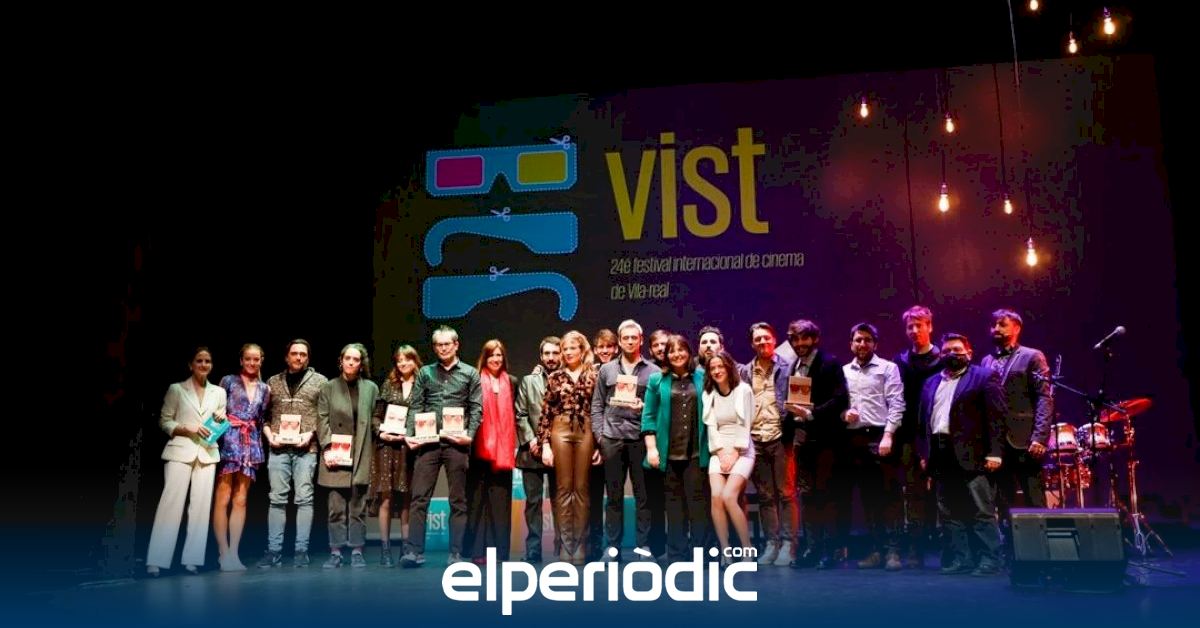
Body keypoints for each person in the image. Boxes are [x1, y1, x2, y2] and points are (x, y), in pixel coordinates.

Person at [917, 333, 1006, 576]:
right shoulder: (931, 382)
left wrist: (995, 452)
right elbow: (923, 421)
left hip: (973, 453)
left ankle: (989, 559)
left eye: (956, 349)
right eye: (946, 351)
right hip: (940, 451)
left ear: (969, 352)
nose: (951, 354)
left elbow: (996, 417)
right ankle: (961, 558)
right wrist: (925, 453)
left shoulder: (984, 376)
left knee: (980, 508)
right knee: (949, 510)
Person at [402, 326, 482, 568]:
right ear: (434, 347)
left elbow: (476, 408)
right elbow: (416, 405)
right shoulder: (425, 373)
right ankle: (414, 551)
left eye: (447, 344)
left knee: (458, 500)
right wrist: (409, 434)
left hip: (456, 444)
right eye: (438, 345)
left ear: (456, 345)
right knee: (419, 498)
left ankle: (456, 553)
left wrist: (470, 436)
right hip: (428, 442)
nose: (443, 348)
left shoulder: (470, 373)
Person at [146, 346, 227, 576]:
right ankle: (157, 560)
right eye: (199, 361)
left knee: (200, 508)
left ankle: (192, 560)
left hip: (207, 453)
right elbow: (165, 421)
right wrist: (186, 428)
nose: (204, 365)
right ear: (190, 364)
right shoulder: (177, 389)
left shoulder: (219, 392)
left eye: (207, 361)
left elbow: (220, 422)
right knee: (170, 506)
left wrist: (221, 418)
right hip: (180, 451)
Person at [841, 323, 906, 571]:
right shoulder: (844, 371)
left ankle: (893, 551)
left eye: (867, 340)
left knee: (888, 496)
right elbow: (840, 404)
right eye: (858, 340)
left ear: (875, 344)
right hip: (854, 438)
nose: (862, 344)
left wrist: (888, 435)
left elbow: (896, 403)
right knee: (867, 498)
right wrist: (844, 414)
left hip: (880, 436)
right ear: (851, 343)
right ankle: (876, 551)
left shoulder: (888, 368)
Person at [259, 339, 327, 568]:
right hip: (278, 448)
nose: (299, 358)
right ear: (286, 357)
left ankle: (301, 551)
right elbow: (264, 416)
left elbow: (324, 415)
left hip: (306, 449)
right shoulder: (272, 382)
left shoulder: (320, 382)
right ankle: (274, 551)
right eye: (295, 354)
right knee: (276, 499)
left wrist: (311, 434)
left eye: (303, 354)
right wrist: (269, 435)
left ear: (308, 358)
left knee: (304, 499)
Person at [642, 335, 710, 562]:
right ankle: (677, 555)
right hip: (668, 453)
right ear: (666, 355)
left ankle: (700, 555)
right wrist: (652, 448)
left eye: (681, 350)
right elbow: (649, 416)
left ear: (689, 352)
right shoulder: (656, 380)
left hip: (696, 452)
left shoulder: (703, 377)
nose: (677, 354)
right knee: (674, 505)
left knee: (698, 505)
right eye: (672, 350)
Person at [590, 319, 654, 560]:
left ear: (641, 340)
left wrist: (643, 406)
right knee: (614, 498)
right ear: (619, 341)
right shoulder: (607, 370)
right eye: (625, 337)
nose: (629, 341)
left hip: (640, 438)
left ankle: (643, 547)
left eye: (633, 337)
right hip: (612, 438)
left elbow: (656, 409)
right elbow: (597, 406)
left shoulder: (653, 372)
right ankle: (612, 548)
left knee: (643, 497)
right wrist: (600, 436)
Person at [536, 330, 600, 565]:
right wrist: (544, 444)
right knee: (563, 488)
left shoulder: (594, 375)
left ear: (582, 350)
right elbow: (546, 412)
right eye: (565, 348)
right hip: (560, 428)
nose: (569, 352)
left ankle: (580, 544)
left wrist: (599, 444)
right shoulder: (555, 376)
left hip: (586, 429)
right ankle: (565, 545)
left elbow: (599, 409)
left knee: (581, 489)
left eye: (573, 348)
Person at [980, 309, 1053, 512]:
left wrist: (1040, 437)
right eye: (993, 325)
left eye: (1002, 324)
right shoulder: (986, 361)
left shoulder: (1032, 356)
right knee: (1004, 503)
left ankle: (1038, 534)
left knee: (1034, 500)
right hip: (997, 443)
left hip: (1025, 441)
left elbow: (1044, 397)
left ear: (1017, 328)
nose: (995, 328)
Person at [316, 343, 379, 569]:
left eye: (356, 359)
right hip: (337, 452)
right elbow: (322, 419)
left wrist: (384, 429)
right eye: (348, 358)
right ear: (341, 361)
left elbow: (375, 417)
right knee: (335, 507)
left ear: (361, 364)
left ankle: (357, 551)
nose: (351, 362)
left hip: (361, 450)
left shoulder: (370, 388)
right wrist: (327, 447)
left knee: (358, 507)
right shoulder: (329, 387)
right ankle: (336, 551)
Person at [214, 343, 270, 572]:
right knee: (223, 497)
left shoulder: (265, 389)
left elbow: (261, 418)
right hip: (229, 440)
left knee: (241, 499)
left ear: (261, 361)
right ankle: (223, 552)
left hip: (250, 443)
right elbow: (216, 410)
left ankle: (234, 553)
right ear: (241, 360)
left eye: (256, 359)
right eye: (248, 358)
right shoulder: (228, 381)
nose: (252, 363)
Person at [464, 340, 520, 562]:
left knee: (500, 502)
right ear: (484, 358)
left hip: (503, 453)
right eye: (491, 355)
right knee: (477, 500)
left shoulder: (512, 382)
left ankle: (499, 552)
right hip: (479, 449)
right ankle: (477, 552)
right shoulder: (475, 380)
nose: (496, 359)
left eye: (499, 355)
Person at [369, 344, 421, 567]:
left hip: (409, 448)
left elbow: (426, 415)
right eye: (399, 360)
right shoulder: (389, 385)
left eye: (407, 359)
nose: (403, 364)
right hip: (387, 448)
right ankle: (385, 549)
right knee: (387, 497)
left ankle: (406, 548)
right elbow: (376, 416)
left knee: (407, 497)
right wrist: (381, 432)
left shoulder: (422, 385)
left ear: (415, 361)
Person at [702, 351, 755, 566]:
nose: (716, 371)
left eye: (720, 366)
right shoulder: (709, 394)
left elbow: (746, 424)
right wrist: (720, 452)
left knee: (729, 496)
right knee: (716, 496)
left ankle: (747, 550)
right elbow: (711, 427)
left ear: (729, 367)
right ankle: (726, 552)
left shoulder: (743, 390)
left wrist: (734, 452)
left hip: (742, 449)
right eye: (712, 368)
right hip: (719, 450)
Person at [515, 336, 561, 563]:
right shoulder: (528, 381)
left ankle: (562, 548)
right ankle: (533, 550)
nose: (551, 357)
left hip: (560, 451)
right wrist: (532, 440)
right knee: (533, 503)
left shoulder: (568, 380)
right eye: (547, 353)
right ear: (541, 356)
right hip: (531, 451)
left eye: (555, 353)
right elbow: (520, 414)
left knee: (560, 502)